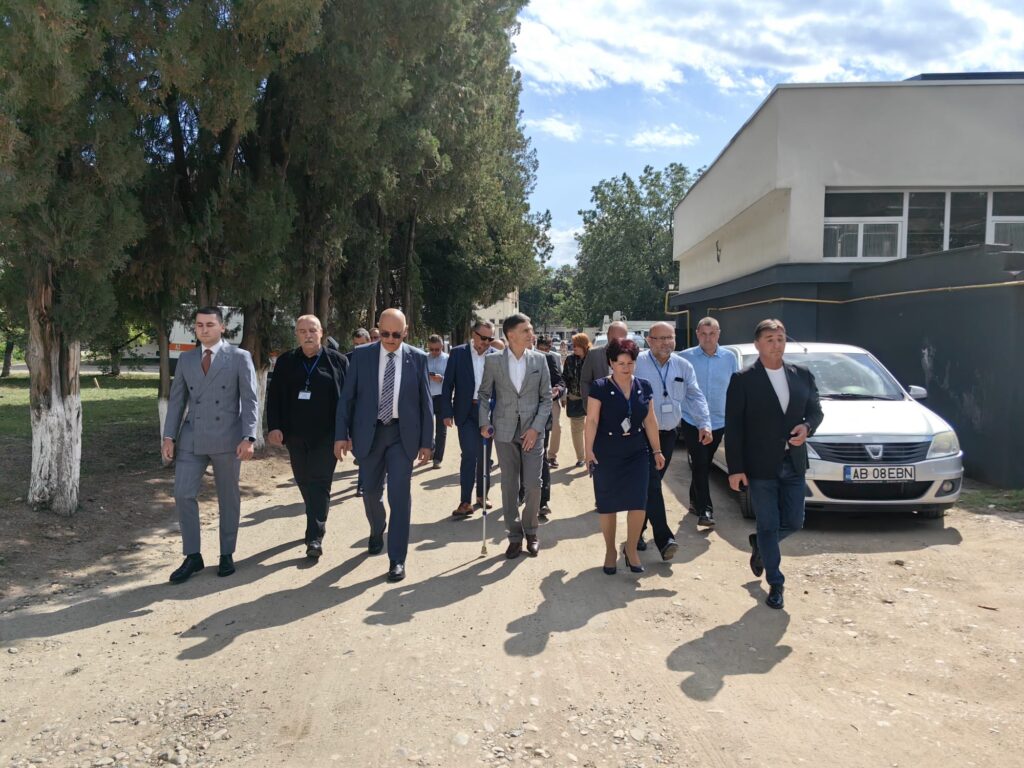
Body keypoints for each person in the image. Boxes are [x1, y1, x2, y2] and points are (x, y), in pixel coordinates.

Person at [726, 318, 823, 610]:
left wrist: (807, 427)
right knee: (768, 524)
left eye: (780, 339)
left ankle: (760, 545)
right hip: (760, 465)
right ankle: (776, 582)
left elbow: (815, 411)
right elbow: (734, 427)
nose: (776, 344)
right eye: (769, 339)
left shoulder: (802, 375)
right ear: (757, 344)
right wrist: (735, 468)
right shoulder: (743, 379)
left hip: (793, 462)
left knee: (794, 521)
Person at [334, 309, 433, 583]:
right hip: (370, 434)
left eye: (396, 334)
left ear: (406, 332)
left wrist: (427, 442)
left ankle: (397, 559)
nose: (390, 339)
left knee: (399, 497)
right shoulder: (362, 356)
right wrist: (341, 434)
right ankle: (377, 528)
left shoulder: (418, 358)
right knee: (370, 492)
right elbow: (347, 399)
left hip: (403, 436)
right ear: (378, 329)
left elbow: (425, 403)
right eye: (385, 333)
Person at [162, 307, 259, 584]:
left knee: (228, 498)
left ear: (222, 327)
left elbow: (250, 400)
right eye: (199, 325)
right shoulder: (187, 359)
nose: (204, 330)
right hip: (192, 437)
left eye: (209, 324)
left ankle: (227, 553)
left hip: (228, 438)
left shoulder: (239, 357)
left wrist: (249, 437)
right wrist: (169, 436)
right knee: (183, 494)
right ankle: (193, 555)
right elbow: (177, 400)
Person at [266, 315, 349, 559]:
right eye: (302, 331)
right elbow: (274, 396)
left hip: (327, 436)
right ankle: (314, 515)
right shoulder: (286, 361)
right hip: (295, 435)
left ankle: (314, 537)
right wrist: (274, 426)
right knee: (303, 480)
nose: (308, 335)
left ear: (321, 332)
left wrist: (346, 434)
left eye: (312, 330)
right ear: (297, 334)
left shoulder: (338, 361)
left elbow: (348, 401)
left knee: (319, 482)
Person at [584, 338, 665, 574]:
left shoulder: (644, 386)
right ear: (611, 363)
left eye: (630, 363)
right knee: (607, 504)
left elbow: (650, 420)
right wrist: (588, 450)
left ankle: (631, 549)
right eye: (621, 363)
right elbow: (592, 420)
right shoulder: (600, 387)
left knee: (638, 501)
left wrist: (657, 450)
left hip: (637, 451)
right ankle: (610, 550)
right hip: (606, 451)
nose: (626, 368)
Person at [634, 322, 712, 560]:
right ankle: (664, 538)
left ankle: (636, 531)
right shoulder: (637, 363)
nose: (666, 343)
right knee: (652, 483)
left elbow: (695, 395)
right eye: (660, 338)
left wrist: (704, 423)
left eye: (670, 338)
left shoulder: (683, 365)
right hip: (640, 435)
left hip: (667, 435)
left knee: (651, 484)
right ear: (649, 340)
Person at [479, 313, 551, 559]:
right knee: (509, 485)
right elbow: (484, 394)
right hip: (504, 430)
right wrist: (484, 422)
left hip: (533, 431)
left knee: (533, 484)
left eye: (531, 329)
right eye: (526, 330)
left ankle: (531, 531)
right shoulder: (493, 361)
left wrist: (536, 428)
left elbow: (546, 399)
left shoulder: (539, 360)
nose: (532, 334)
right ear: (510, 335)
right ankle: (514, 536)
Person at [679, 317, 739, 528]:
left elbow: (735, 387)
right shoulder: (685, 357)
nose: (708, 338)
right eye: (703, 334)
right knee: (701, 462)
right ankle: (706, 510)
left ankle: (694, 500)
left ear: (718, 334)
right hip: (692, 420)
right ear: (697, 334)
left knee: (703, 462)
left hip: (719, 421)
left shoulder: (729, 358)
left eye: (712, 333)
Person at [441, 321, 498, 517]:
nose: (487, 342)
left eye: (490, 339)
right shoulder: (458, 353)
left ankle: (482, 495)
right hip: (465, 412)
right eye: (484, 338)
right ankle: (465, 502)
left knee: (485, 456)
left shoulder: (496, 356)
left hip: (487, 412)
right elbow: (447, 384)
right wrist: (446, 412)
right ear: (474, 334)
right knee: (469, 455)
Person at [535, 335, 565, 517]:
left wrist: (558, 390)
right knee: (519, 461)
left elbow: (560, 381)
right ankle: (521, 494)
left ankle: (543, 502)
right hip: (514, 420)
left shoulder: (547, 358)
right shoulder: (503, 359)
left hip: (541, 417)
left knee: (541, 457)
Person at [347, 328, 373, 496]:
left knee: (365, 449)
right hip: (352, 410)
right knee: (356, 449)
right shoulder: (347, 359)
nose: (358, 347)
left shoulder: (377, 358)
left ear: (369, 342)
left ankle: (362, 484)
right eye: (356, 344)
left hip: (370, 411)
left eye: (362, 344)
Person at [580, 320, 628, 402]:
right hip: (599, 406)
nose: (617, 342)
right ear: (607, 335)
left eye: (621, 339)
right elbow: (585, 381)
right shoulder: (594, 354)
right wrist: (589, 403)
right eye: (614, 339)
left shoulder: (632, 356)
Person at [563, 332, 590, 467]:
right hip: (575, 398)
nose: (573, 347)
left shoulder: (592, 359)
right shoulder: (569, 360)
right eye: (572, 345)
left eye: (576, 345)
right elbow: (564, 379)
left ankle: (592, 456)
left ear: (584, 345)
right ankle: (581, 458)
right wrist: (563, 395)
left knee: (593, 429)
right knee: (577, 430)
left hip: (592, 400)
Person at [537, 335, 564, 469]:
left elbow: (560, 379)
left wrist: (560, 393)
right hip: (534, 400)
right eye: (541, 348)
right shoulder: (531, 356)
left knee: (556, 426)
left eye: (546, 348)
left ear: (550, 347)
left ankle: (552, 456)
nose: (543, 351)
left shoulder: (554, 357)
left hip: (551, 399)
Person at [425, 334, 449, 469]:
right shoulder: (424, 358)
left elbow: (452, 379)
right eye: (431, 349)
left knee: (441, 429)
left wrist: (442, 379)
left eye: (437, 349)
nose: (434, 352)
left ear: (442, 347)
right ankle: (432, 447)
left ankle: (438, 458)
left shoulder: (447, 359)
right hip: (427, 396)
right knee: (426, 427)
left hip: (442, 397)